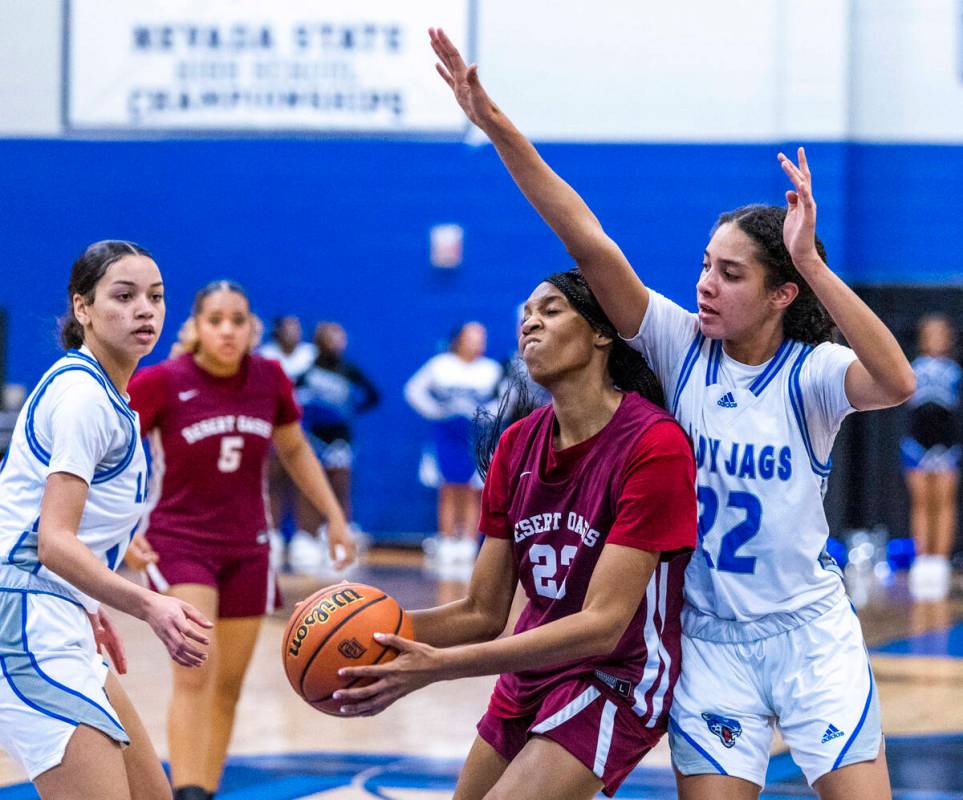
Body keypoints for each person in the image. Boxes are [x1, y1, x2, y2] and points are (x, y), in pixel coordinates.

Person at [426, 27, 916, 800]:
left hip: (809, 636)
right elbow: (584, 239)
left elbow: (895, 381)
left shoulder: (809, 374)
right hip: (709, 641)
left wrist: (813, 260)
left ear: (781, 294)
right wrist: (495, 127)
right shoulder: (678, 347)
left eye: (729, 273)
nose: (704, 284)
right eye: (702, 266)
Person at [337, 269, 697, 800]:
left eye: (551, 311)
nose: (530, 322)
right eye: (526, 314)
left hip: (617, 674)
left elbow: (602, 625)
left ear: (602, 332)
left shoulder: (653, 445)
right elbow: (482, 611)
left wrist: (440, 668)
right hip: (533, 670)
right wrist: (369, 632)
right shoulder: (515, 445)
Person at [125, 281, 356, 800]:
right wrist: (124, 529)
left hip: (249, 546)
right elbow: (112, 455)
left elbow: (295, 451)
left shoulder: (269, 378)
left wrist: (335, 518)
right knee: (195, 675)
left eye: (237, 320)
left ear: (252, 328)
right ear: (197, 328)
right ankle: (184, 791)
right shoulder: (162, 381)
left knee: (226, 688)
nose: (227, 330)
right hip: (179, 542)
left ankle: (204, 790)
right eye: (216, 320)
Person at [0, 240, 212, 800]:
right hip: (23, 621)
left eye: (156, 297)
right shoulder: (83, 398)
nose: (145, 309)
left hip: (55, 613)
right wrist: (148, 604)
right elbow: (52, 542)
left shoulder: (104, 392)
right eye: (124, 295)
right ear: (83, 309)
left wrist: (87, 602)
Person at [404, 321, 502, 566]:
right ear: (459, 339)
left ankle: (468, 542)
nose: (478, 342)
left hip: (476, 436)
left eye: (482, 337)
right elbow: (413, 390)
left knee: (473, 490)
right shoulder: (440, 365)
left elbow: (506, 398)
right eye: (473, 337)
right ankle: (446, 541)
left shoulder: (491, 369)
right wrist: (435, 411)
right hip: (445, 435)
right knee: (448, 488)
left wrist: (485, 414)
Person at [289, 322, 379, 572]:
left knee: (340, 485)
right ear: (319, 340)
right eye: (332, 337)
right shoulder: (308, 370)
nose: (338, 341)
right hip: (314, 437)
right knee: (309, 486)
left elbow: (374, 395)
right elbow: (289, 395)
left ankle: (340, 532)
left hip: (341, 438)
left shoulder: (348, 370)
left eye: (340, 336)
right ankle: (307, 536)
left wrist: (351, 411)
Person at [902, 314, 960, 601]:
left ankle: (940, 559)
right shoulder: (912, 367)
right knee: (922, 502)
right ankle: (923, 559)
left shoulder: (955, 371)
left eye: (941, 334)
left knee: (944, 501)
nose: (937, 339)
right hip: (917, 444)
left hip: (947, 444)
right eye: (931, 334)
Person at [258, 315, 317, 568]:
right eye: (289, 327)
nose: (294, 331)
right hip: (272, 428)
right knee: (272, 482)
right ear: (277, 331)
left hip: (309, 428)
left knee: (306, 483)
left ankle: (307, 537)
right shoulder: (265, 357)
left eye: (298, 327)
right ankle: (272, 535)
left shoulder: (311, 356)